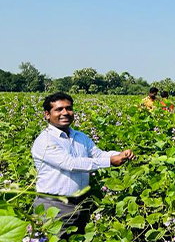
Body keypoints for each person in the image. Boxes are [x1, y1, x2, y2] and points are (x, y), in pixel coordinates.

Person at [32, 92, 134, 234]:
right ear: (47, 114)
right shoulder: (45, 140)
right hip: (53, 205)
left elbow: (98, 154)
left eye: (69, 108)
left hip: (80, 203)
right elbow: (71, 164)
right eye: (59, 109)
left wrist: (119, 154)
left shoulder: (80, 136)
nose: (65, 113)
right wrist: (110, 161)